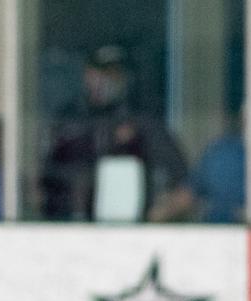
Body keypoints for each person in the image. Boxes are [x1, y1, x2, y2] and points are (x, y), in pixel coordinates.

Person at [40, 45, 193, 222]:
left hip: (130, 224)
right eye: (101, 73)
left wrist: (158, 212)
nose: (105, 80)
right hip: (67, 224)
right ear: (87, 75)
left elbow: (180, 178)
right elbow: (47, 175)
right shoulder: (69, 118)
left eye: (115, 74)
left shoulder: (142, 121)